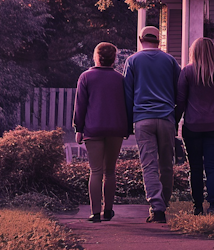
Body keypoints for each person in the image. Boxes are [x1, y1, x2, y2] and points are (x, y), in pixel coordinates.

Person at [123, 25, 181, 223]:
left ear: (141, 39)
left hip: (143, 118)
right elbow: (179, 89)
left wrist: (129, 120)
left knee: (149, 164)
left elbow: (128, 93)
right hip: (166, 117)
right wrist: (176, 115)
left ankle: (157, 208)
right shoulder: (170, 61)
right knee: (166, 164)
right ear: (159, 40)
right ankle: (163, 204)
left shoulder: (132, 61)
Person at [72, 41, 133, 223]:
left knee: (96, 171)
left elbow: (80, 106)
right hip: (116, 128)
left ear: (96, 57)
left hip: (93, 128)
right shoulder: (120, 79)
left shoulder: (86, 77)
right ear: (114, 59)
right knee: (110, 171)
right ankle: (108, 210)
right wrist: (127, 127)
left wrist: (78, 128)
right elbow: (128, 105)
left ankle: (94, 212)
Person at [176, 37, 214, 215]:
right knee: (212, 167)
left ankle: (198, 206)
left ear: (194, 51)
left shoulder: (187, 72)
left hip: (193, 126)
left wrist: (174, 122)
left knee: (195, 168)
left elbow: (180, 101)